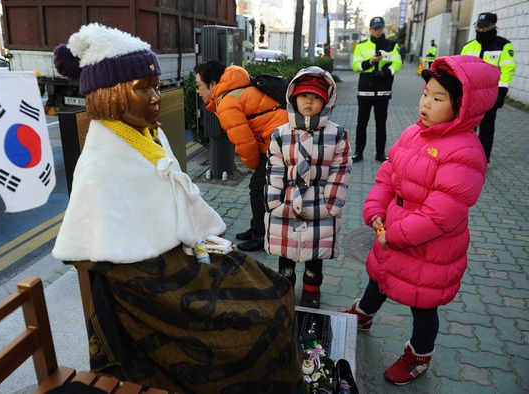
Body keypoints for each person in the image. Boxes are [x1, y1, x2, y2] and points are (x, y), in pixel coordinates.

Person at [52, 23, 302, 393]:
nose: (156, 97)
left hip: (179, 255)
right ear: (110, 95)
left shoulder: (147, 134)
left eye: (156, 86)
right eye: (143, 88)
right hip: (146, 282)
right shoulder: (101, 160)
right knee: (262, 320)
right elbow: (113, 255)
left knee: (277, 288)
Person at [342, 55, 499, 385]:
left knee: (424, 303)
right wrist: (375, 209)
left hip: (431, 246)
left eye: (438, 98)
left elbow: (440, 215)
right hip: (395, 230)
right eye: (425, 93)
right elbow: (388, 176)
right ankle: (364, 314)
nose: (426, 103)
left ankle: (420, 354)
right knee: (381, 275)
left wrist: (395, 234)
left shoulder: (466, 152)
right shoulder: (416, 133)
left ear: (462, 106)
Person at [265, 66, 352, 309]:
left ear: (325, 101)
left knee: (316, 254)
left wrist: (331, 205)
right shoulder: (280, 134)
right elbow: (275, 169)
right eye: (304, 96)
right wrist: (275, 202)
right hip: (287, 201)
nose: (309, 102)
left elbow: (340, 169)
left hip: (320, 203)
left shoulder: (337, 134)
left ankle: (312, 292)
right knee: (286, 253)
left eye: (315, 97)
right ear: (293, 98)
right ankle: (285, 289)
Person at [194, 60, 288, 251]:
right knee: (260, 185)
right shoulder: (235, 88)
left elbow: (244, 143)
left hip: (278, 141)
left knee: (257, 186)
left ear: (212, 84)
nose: (198, 91)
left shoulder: (227, 102)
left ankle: (261, 236)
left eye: (199, 86)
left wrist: (254, 165)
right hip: (278, 136)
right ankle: (256, 228)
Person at [461, 12, 516, 162]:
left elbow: (507, 70)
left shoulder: (503, 46)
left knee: (486, 129)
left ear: (493, 26)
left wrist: (501, 94)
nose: (481, 30)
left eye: (485, 27)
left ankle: (483, 160)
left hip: (490, 95)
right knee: (467, 128)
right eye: (479, 27)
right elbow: (460, 70)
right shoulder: (468, 46)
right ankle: (466, 157)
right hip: (470, 95)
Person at [351, 16, 402, 163]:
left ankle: (380, 153)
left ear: (383, 28)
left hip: (383, 91)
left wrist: (383, 73)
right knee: (362, 123)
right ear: (370, 29)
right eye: (375, 28)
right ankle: (358, 151)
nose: (377, 31)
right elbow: (355, 66)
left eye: (380, 28)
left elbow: (397, 64)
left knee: (381, 124)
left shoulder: (392, 45)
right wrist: (370, 62)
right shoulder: (361, 46)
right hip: (365, 91)